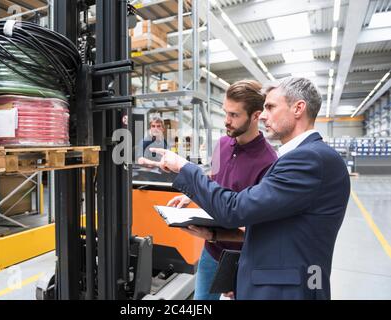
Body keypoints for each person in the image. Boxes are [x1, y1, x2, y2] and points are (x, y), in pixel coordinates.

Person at [145, 77, 351, 300]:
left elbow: (236, 209)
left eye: (271, 107)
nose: (263, 115)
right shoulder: (297, 158)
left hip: (282, 289)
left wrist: (184, 167)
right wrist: (213, 233)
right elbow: (271, 223)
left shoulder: (308, 160)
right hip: (261, 275)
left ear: (298, 108)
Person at [166, 80, 277, 300]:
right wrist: (190, 195)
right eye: (225, 112)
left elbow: (260, 230)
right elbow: (214, 181)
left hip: (242, 257)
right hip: (211, 251)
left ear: (256, 116)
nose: (226, 121)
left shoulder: (269, 162)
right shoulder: (223, 144)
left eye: (234, 115)